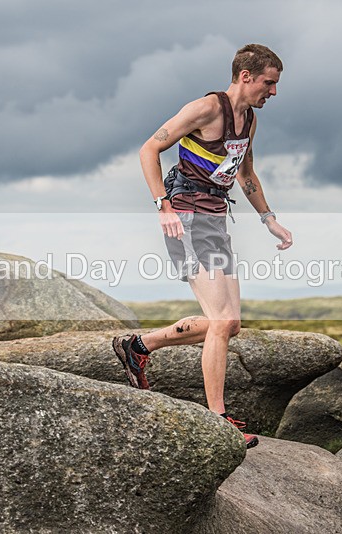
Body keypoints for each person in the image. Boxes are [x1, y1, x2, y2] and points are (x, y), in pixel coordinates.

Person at [113, 44, 293, 449]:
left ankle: (140, 347)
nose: (274, 92)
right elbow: (149, 148)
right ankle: (218, 418)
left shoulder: (249, 121)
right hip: (186, 217)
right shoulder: (206, 109)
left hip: (214, 220)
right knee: (223, 321)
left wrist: (269, 220)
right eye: (269, 82)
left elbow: (245, 173)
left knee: (227, 324)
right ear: (245, 77)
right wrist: (162, 205)